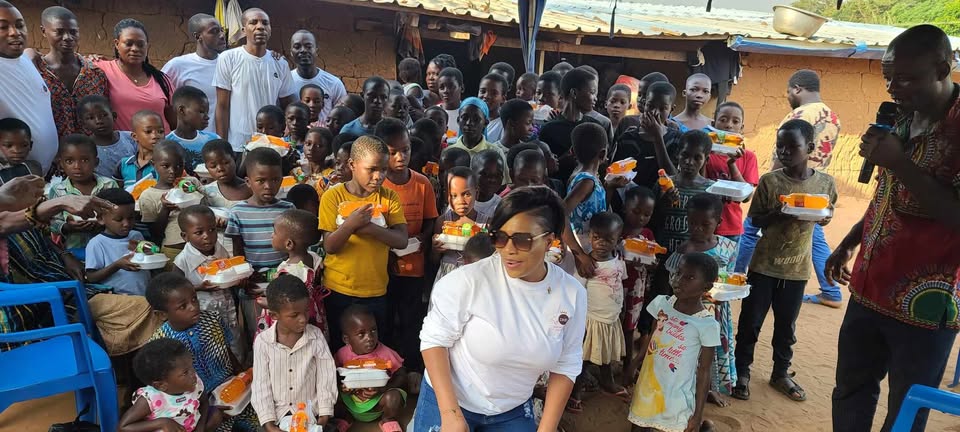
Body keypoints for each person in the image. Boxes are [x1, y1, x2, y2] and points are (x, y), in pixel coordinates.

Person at [828, 25, 960, 432]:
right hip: (869, 286)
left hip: (925, 306)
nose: (893, 88)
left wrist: (900, 162)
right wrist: (849, 241)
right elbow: (885, 193)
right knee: (850, 388)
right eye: (889, 78)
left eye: (905, 79)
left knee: (907, 406)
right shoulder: (901, 117)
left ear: (943, 68)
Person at [415, 186, 586, 432]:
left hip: (512, 409)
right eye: (500, 237)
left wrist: (546, 429)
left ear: (549, 241)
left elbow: (566, 363)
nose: (508, 249)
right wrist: (450, 416)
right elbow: (434, 340)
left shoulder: (571, 294)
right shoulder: (467, 281)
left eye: (522, 240)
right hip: (450, 399)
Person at [733, 119, 837, 403]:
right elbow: (755, 220)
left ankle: (780, 373)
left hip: (796, 269)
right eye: (780, 146)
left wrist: (823, 216)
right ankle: (741, 371)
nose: (785, 151)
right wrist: (779, 213)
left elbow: (826, 215)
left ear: (810, 148)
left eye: (793, 146)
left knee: (786, 326)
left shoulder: (825, 183)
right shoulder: (771, 182)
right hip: (764, 265)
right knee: (750, 322)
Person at [737, 69, 843, 308]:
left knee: (750, 230)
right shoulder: (833, 117)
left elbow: (783, 155)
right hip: (814, 187)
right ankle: (830, 289)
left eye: (788, 92)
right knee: (814, 236)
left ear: (797, 88)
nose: (788, 97)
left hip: (788, 186)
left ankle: (736, 277)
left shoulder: (800, 114)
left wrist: (771, 181)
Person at [318, 135, 407, 346]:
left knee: (373, 347)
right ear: (352, 164)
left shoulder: (388, 198)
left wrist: (369, 228)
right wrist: (350, 224)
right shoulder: (333, 197)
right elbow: (330, 246)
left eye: (383, 169)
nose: (379, 176)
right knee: (341, 347)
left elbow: (402, 240)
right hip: (339, 289)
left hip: (375, 290)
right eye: (372, 169)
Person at [146, 274, 260, 431]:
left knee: (254, 421)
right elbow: (166, 390)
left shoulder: (213, 319)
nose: (193, 307)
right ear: (162, 314)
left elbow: (226, 350)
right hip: (195, 405)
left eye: (194, 299)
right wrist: (203, 407)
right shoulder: (160, 346)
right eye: (183, 306)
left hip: (231, 389)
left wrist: (241, 375)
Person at [627, 253, 720, 432]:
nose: (678, 280)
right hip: (648, 384)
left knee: (674, 426)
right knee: (639, 424)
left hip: (677, 393)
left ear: (707, 286)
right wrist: (635, 362)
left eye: (689, 277)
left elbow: (704, 370)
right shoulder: (662, 304)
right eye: (678, 273)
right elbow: (653, 336)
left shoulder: (707, 325)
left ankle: (705, 427)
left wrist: (698, 415)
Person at [663, 193, 739, 407]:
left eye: (705, 224)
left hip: (716, 312)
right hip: (688, 313)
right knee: (689, 352)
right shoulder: (683, 251)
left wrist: (725, 293)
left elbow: (730, 279)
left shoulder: (728, 247)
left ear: (718, 223)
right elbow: (673, 282)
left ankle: (708, 389)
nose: (697, 229)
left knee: (710, 353)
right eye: (692, 223)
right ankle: (686, 391)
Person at [377, 118, 438, 370]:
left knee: (412, 320)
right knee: (386, 320)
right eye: (393, 152)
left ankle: (412, 368)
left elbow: (431, 219)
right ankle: (390, 369)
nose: (401, 157)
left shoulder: (422, 184)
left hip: (414, 266)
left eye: (406, 150)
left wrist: (423, 237)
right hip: (384, 267)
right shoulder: (378, 186)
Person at [252, 275, 338, 432]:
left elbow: (326, 377)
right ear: (274, 315)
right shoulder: (263, 343)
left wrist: (323, 416)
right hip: (278, 416)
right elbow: (261, 385)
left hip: (312, 414)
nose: (303, 319)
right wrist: (269, 424)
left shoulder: (315, 336)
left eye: (306, 311)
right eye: (294, 315)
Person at [570, 212, 629, 411]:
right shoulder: (587, 265)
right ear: (590, 237)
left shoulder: (619, 259)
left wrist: (620, 308)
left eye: (608, 239)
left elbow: (620, 283)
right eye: (597, 238)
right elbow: (577, 293)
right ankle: (575, 393)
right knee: (585, 359)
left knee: (605, 352)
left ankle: (607, 381)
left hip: (611, 317)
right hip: (592, 320)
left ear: (618, 240)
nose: (601, 243)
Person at [214, 8, 295, 153]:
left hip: (271, 144)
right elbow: (222, 106)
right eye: (253, 22)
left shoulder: (280, 63)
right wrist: (222, 145)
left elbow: (288, 103)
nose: (260, 27)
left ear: (270, 29)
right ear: (243, 30)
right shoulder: (228, 58)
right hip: (238, 144)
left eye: (265, 23)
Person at [171, 204, 243, 360]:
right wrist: (199, 287)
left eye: (212, 230)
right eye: (199, 232)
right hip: (204, 311)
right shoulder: (182, 261)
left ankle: (237, 367)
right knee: (213, 345)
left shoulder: (219, 249)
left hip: (226, 304)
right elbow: (175, 290)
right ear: (185, 236)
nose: (207, 236)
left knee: (233, 338)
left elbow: (226, 269)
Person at [32, 6, 109, 137]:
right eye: (59, 31)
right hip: (50, 148)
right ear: (44, 31)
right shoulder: (35, 73)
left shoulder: (95, 74)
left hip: (91, 148)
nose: (68, 37)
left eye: (73, 32)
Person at [0, 2, 59, 171]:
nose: (15, 32)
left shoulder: (24, 59)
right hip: (12, 178)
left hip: (43, 174)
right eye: (3, 27)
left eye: (20, 25)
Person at [118, 339, 216, 432]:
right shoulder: (151, 399)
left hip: (191, 426)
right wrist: (161, 423)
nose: (193, 373)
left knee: (216, 415)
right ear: (161, 385)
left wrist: (200, 427)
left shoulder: (194, 383)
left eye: (192, 366)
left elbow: (204, 403)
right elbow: (123, 427)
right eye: (185, 372)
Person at [335, 305, 408, 430]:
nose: (369, 338)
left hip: (377, 404)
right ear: (346, 339)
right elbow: (332, 375)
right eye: (361, 334)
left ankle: (388, 419)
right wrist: (343, 387)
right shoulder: (342, 354)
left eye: (373, 330)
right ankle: (345, 417)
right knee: (330, 394)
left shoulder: (386, 353)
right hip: (350, 403)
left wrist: (383, 389)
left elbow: (402, 375)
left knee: (394, 396)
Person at [95, 18, 175, 132]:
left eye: (140, 44)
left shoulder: (162, 80)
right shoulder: (101, 69)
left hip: (159, 142)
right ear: (117, 44)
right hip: (122, 143)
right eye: (129, 44)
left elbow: (174, 122)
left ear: (147, 46)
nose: (135, 49)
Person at [47, 134, 119, 258]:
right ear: (61, 164)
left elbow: (120, 214)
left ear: (96, 162)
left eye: (84, 160)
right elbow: (52, 222)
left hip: (108, 249)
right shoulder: (58, 190)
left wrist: (104, 223)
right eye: (69, 161)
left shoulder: (109, 185)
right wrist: (67, 227)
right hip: (75, 251)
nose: (77, 166)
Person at [617, 186, 656, 386]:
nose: (641, 218)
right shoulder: (617, 230)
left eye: (646, 214)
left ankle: (627, 364)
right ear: (625, 208)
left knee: (630, 326)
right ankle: (608, 361)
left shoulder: (647, 234)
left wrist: (650, 263)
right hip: (616, 286)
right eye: (636, 212)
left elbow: (653, 260)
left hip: (637, 288)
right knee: (614, 322)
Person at [161, 13, 226, 134]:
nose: (222, 35)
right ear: (198, 36)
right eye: (214, 31)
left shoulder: (229, 64)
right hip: (194, 140)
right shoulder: (178, 65)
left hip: (227, 140)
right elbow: (163, 103)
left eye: (221, 30)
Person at [704, 101, 758, 244]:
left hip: (730, 227)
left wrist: (732, 164)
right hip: (702, 224)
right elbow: (699, 185)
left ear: (742, 128)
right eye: (723, 120)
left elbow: (746, 197)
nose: (729, 125)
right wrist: (705, 155)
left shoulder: (748, 157)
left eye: (735, 121)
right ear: (713, 123)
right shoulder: (704, 154)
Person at [612, 82, 683, 190]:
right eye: (650, 106)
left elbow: (673, 177)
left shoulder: (676, 139)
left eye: (662, 108)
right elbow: (615, 176)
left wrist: (658, 138)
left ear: (671, 110)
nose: (654, 112)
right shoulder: (627, 138)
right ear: (644, 104)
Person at [139, 141, 201, 260]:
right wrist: (165, 209)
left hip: (201, 247)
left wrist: (195, 193)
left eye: (179, 166)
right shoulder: (148, 196)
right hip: (173, 249)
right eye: (165, 166)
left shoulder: (191, 183)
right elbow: (155, 233)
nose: (172, 171)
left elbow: (206, 208)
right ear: (153, 164)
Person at [269, 209, 327, 336]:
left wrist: (267, 303)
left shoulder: (290, 272)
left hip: (295, 319)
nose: (272, 235)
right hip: (314, 312)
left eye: (275, 232)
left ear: (289, 244)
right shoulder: (314, 257)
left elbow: (284, 302)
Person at [539, 68, 602, 183]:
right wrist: (562, 161)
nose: (595, 98)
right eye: (592, 93)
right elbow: (542, 171)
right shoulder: (549, 129)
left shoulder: (595, 127)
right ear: (574, 93)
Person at [431, 166, 491, 282]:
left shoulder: (486, 224)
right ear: (447, 196)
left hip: (475, 278)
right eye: (454, 196)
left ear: (477, 193)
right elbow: (434, 261)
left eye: (467, 194)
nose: (461, 202)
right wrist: (435, 249)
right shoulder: (442, 222)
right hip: (447, 277)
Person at [84, 188, 149, 295]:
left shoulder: (136, 235)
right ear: (101, 219)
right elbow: (91, 277)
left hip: (144, 293)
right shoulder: (97, 244)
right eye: (118, 219)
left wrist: (150, 252)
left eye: (131, 218)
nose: (126, 224)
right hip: (119, 297)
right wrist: (117, 265)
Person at [289, 29, 347, 124]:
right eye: (297, 47)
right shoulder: (285, 82)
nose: (303, 50)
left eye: (308, 47)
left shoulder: (333, 83)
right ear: (291, 52)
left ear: (316, 51)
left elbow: (342, 116)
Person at [447, 98, 510, 184]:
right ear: (458, 120)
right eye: (464, 118)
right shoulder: (449, 150)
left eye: (476, 119)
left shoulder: (495, 152)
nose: (469, 123)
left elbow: (503, 185)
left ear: (486, 123)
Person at [78, 95, 137, 178]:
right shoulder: (85, 148)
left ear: (114, 116)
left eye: (103, 115)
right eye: (91, 118)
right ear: (83, 124)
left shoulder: (130, 138)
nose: (98, 121)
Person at [166, 86, 219, 172]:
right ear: (182, 110)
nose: (207, 117)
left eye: (207, 112)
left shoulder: (213, 140)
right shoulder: (166, 144)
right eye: (201, 112)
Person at [118, 110, 163, 188]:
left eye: (160, 131)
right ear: (135, 136)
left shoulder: (167, 164)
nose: (155, 136)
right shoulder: (124, 164)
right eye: (148, 132)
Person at [470, 149, 505, 217]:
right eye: (485, 174)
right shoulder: (460, 202)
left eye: (498, 175)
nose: (492, 179)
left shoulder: (502, 208)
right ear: (472, 174)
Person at [478, 72, 509, 143]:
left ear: (503, 98)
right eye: (483, 91)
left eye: (494, 93)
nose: (486, 96)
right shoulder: (469, 120)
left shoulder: (503, 125)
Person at [437, 67, 465, 136]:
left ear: (462, 88)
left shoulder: (468, 113)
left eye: (451, 86)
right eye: (441, 87)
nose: (445, 91)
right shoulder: (433, 113)